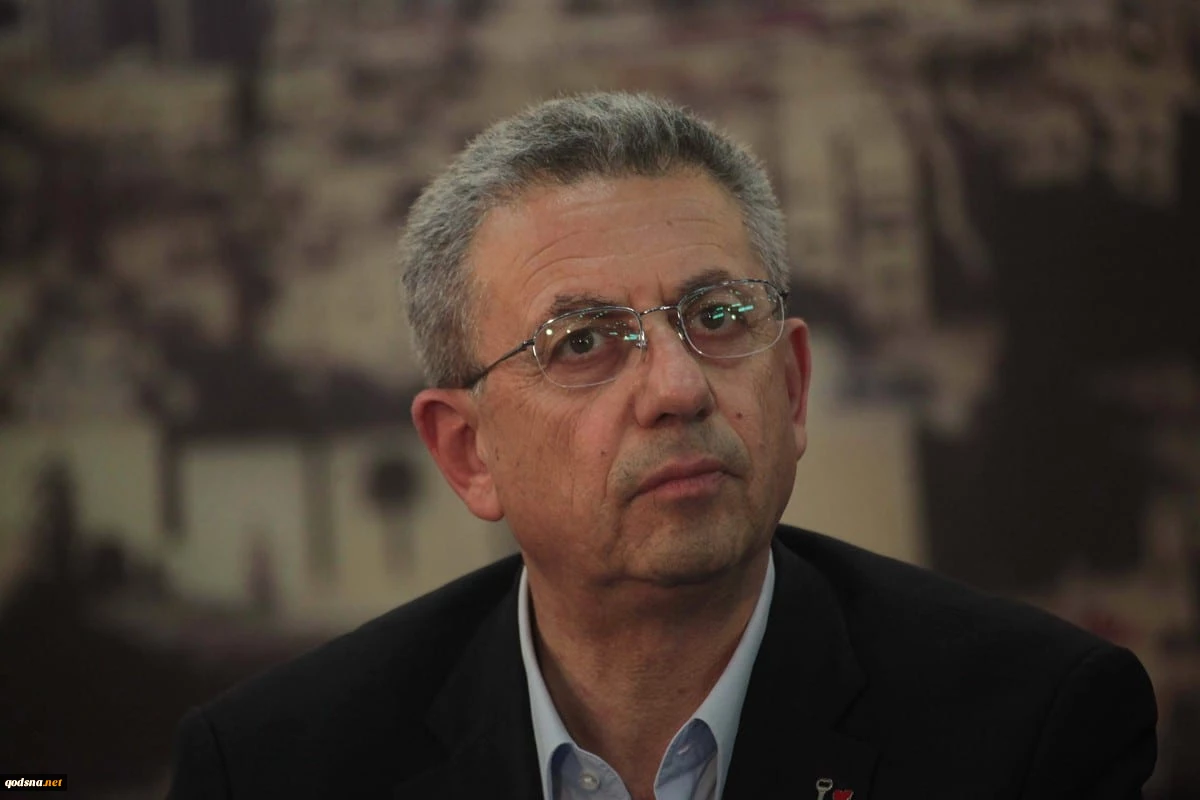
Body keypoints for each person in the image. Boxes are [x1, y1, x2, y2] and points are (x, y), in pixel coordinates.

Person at [167, 92, 1157, 800]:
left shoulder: (1031, 729)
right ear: (468, 451)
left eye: (719, 316)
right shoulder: (277, 768)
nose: (680, 388)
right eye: (583, 343)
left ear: (793, 386)